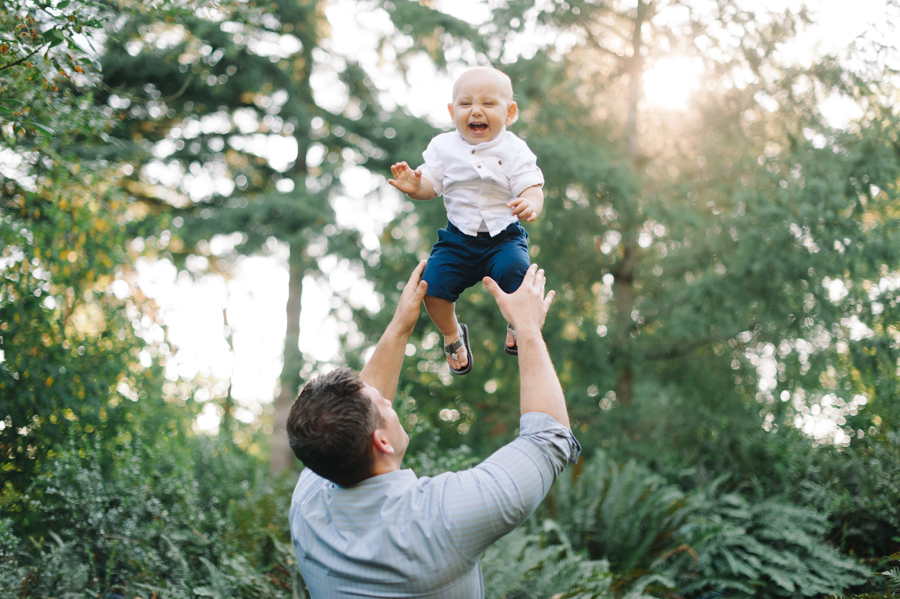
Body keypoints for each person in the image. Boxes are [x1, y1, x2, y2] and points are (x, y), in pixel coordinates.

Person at [287, 261, 579, 599]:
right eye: (383, 404)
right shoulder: (441, 518)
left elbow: (341, 419)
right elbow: (548, 439)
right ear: (381, 441)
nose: (388, 400)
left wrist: (400, 326)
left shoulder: (310, 500)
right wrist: (527, 327)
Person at [388, 66, 545, 375]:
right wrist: (414, 187)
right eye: (466, 104)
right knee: (431, 287)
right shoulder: (442, 148)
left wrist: (530, 202)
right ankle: (452, 334)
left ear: (510, 112)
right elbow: (430, 185)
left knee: (517, 275)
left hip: (504, 236)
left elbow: (531, 185)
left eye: (488, 104)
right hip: (458, 239)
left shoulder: (515, 150)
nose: (476, 111)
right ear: (452, 111)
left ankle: (517, 323)